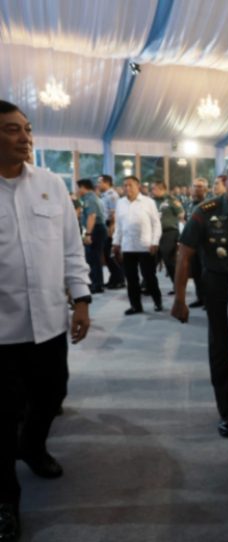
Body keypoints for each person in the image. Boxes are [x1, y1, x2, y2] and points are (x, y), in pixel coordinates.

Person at [0, 100, 92, 542]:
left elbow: (72, 249)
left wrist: (81, 299)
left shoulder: (52, 185)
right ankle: (4, 502)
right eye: (13, 130)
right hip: (1, 331)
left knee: (53, 392)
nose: (25, 138)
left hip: (49, 325)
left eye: (28, 129)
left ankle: (33, 446)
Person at [172, 161, 228, 438]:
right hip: (219, 289)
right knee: (221, 350)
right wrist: (180, 298)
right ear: (225, 182)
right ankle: (227, 411)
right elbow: (185, 255)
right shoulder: (205, 212)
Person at [112, 175, 163, 315]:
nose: (127, 188)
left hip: (146, 246)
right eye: (125, 185)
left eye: (130, 185)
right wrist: (116, 243)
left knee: (149, 277)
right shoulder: (120, 203)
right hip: (128, 246)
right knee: (131, 279)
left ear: (138, 186)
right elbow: (119, 226)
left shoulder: (148, 202)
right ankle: (136, 306)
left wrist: (155, 242)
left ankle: (157, 301)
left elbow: (156, 224)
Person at [150, 181, 184, 290]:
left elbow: (181, 215)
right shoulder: (150, 201)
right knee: (151, 260)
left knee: (168, 259)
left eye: (154, 188)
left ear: (162, 189)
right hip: (154, 233)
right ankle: (146, 284)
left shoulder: (171, 200)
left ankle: (177, 285)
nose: (152, 191)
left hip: (169, 232)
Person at [76, 178, 107, 294]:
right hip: (95, 229)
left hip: (96, 229)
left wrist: (88, 234)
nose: (78, 190)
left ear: (83, 187)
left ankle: (97, 284)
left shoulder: (90, 198)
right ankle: (95, 283)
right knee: (92, 258)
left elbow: (91, 216)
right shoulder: (88, 198)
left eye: (79, 187)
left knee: (94, 258)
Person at [98, 174, 125, 289]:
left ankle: (119, 279)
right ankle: (113, 279)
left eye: (100, 182)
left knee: (111, 255)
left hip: (111, 227)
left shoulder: (112, 195)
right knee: (107, 255)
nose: (98, 184)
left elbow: (114, 213)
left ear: (106, 183)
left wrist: (112, 228)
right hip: (106, 225)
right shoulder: (104, 195)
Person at [187, 177, 210, 307]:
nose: (196, 189)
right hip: (192, 244)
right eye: (195, 186)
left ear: (206, 189)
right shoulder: (190, 204)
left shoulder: (209, 204)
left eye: (200, 186)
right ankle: (200, 297)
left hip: (204, 245)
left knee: (205, 273)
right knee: (195, 273)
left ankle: (208, 300)